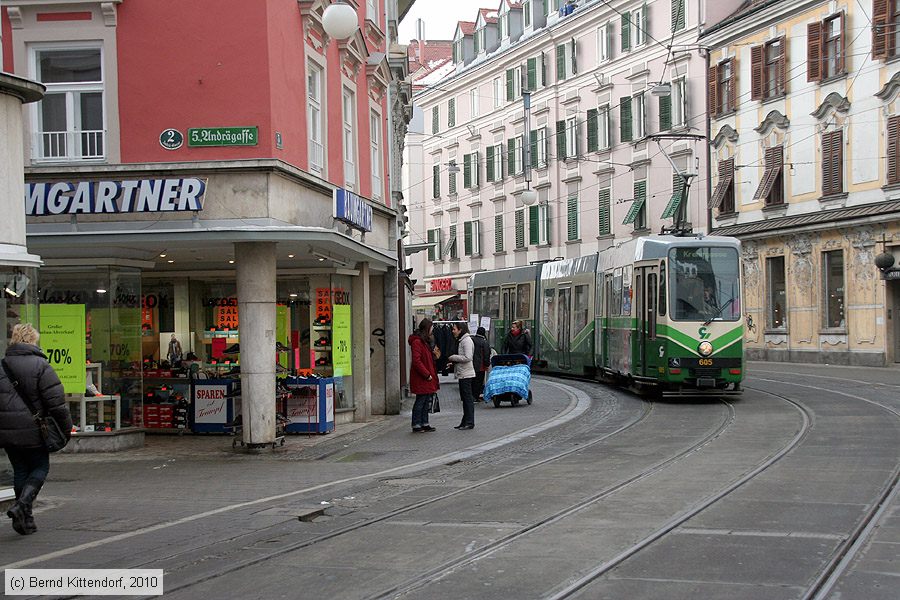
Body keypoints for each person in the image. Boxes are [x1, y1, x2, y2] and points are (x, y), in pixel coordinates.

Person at [0, 323, 72, 535]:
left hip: (7, 431)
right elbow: (56, 403)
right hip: (35, 428)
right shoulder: (41, 366)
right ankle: (22, 505)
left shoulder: (2, 365)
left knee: (20, 470)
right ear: (32, 340)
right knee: (40, 467)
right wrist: (66, 428)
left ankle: (25, 520)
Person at [407, 319, 438, 433]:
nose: (432, 330)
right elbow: (416, 361)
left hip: (427, 376)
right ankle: (416, 424)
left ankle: (425, 423)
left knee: (425, 401)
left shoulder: (425, 341)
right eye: (431, 328)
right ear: (426, 328)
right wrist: (426, 374)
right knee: (421, 401)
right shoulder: (417, 342)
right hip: (422, 377)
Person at [447, 322, 476, 430]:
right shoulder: (462, 340)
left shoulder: (466, 341)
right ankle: (465, 421)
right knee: (465, 399)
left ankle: (469, 422)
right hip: (463, 373)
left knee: (467, 399)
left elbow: (468, 357)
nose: (453, 331)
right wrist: (454, 363)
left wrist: (453, 357)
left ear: (460, 330)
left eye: (454, 329)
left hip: (466, 374)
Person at [470, 326, 490, 399]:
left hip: (471, 365)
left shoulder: (471, 340)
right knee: (479, 382)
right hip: (480, 366)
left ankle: (472, 396)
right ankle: (476, 396)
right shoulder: (484, 342)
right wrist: (487, 364)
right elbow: (486, 354)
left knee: (472, 381)